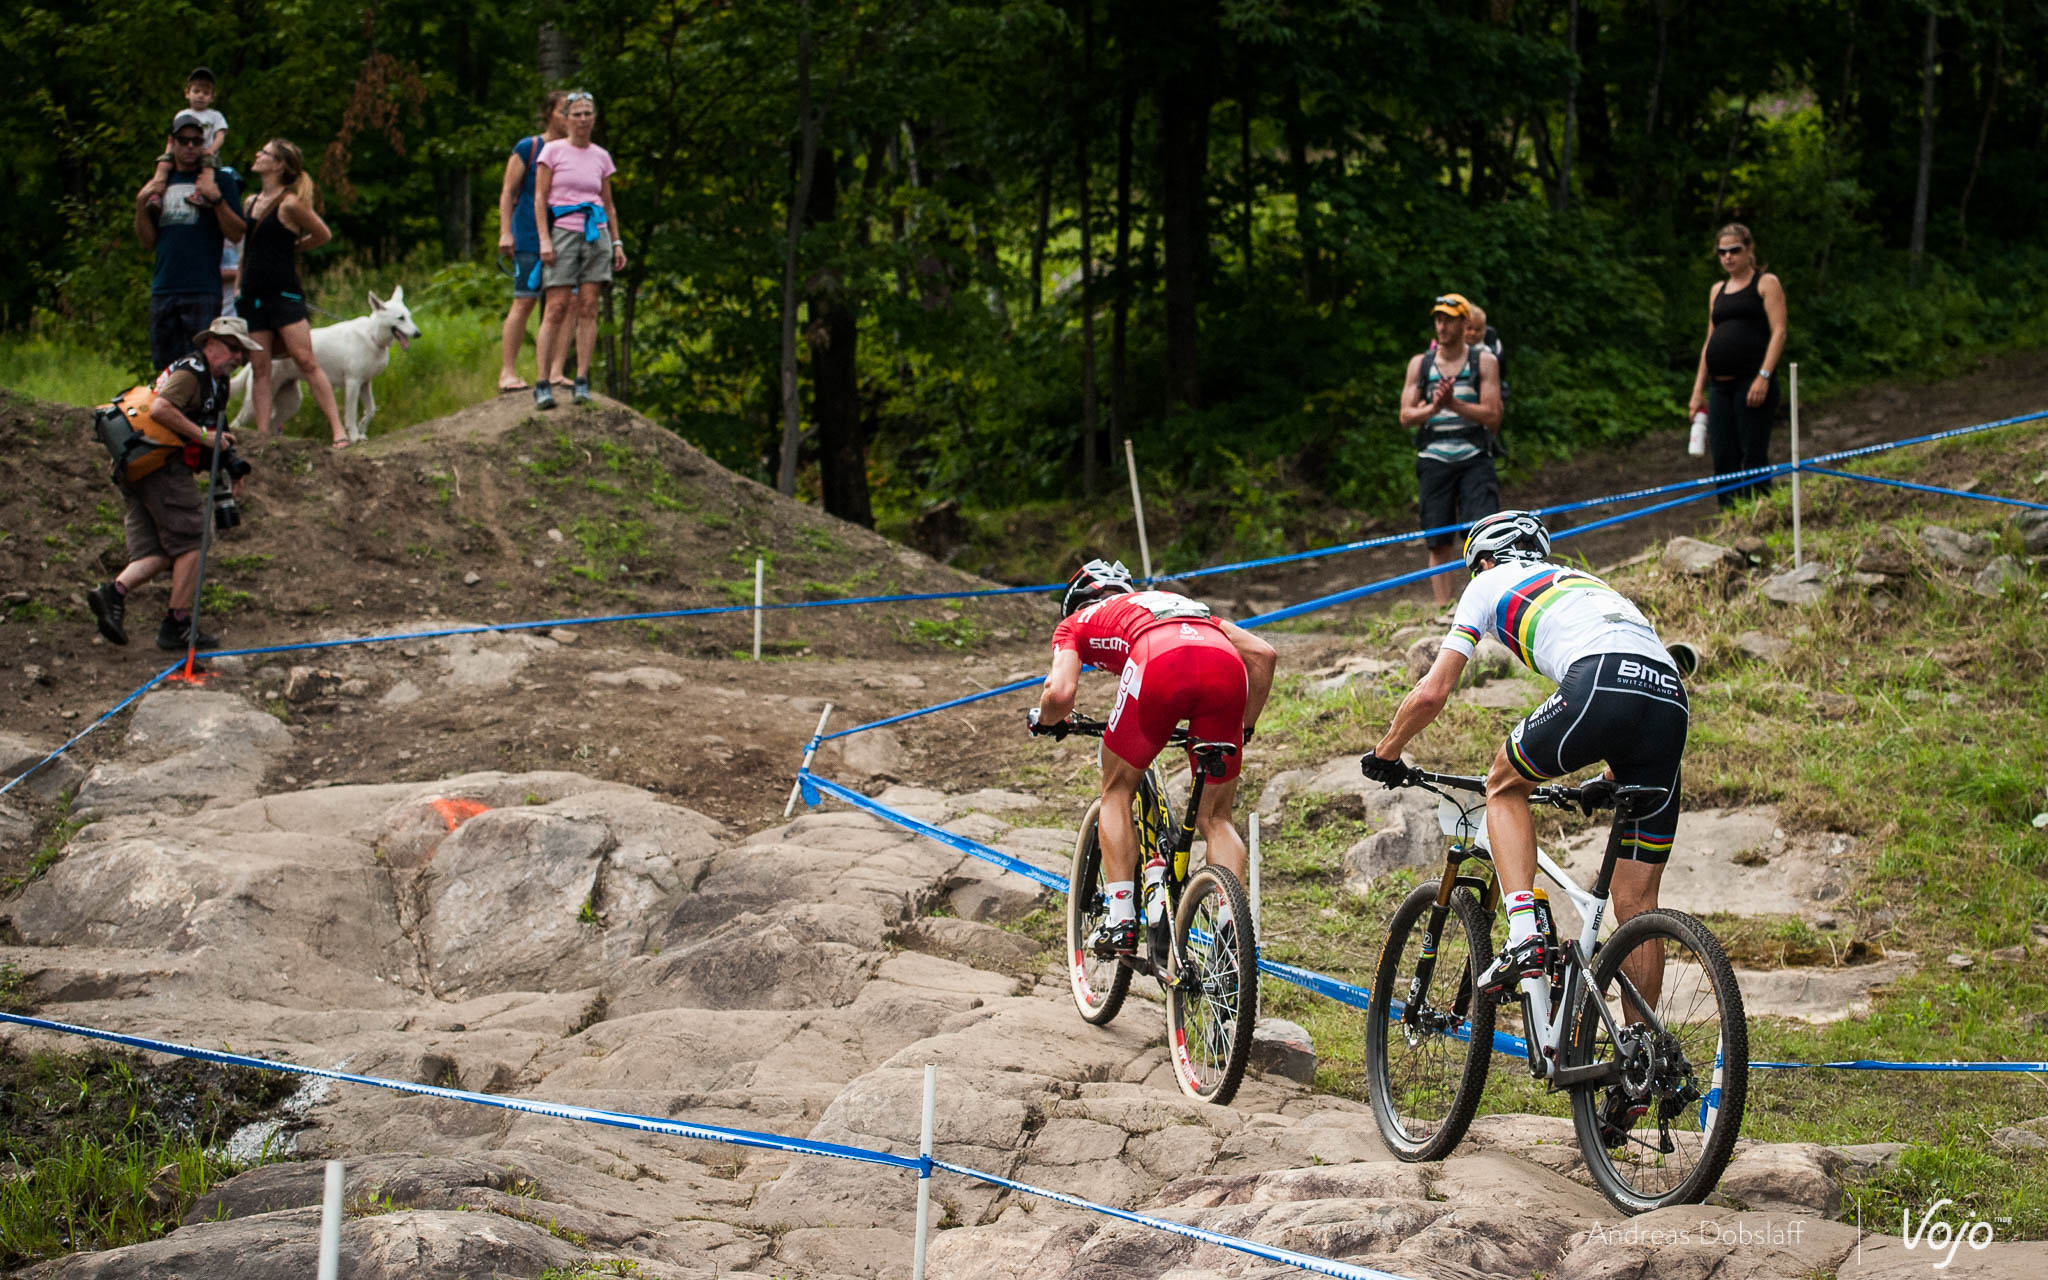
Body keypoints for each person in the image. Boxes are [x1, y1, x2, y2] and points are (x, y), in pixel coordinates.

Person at [1360, 509, 1687, 1141]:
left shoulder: (1488, 583)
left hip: (1602, 682)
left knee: (1503, 786)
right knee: (1636, 900)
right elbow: (1637, 676)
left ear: (1481, 560)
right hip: (1667, 697)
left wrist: (1388, 751)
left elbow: (1432, 691)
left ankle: (1524, 934)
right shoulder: (1586, 583)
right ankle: (1637, 1065)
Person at [1028, 560, 1278, 957]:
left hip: (1159, 663)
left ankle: (1121, 919)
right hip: (1225, 669)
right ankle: (1232, 939)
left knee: (1116, 790)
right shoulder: (1177, 602)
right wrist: (1243, 729)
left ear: (1074, 602)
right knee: (1216, 819)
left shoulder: (1075, 622)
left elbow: (1059, 694)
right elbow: (1263, 655)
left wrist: (1044, 720)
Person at [86, 316, 260, 653]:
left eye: (242, 352)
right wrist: (204, 437)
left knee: (161, 552)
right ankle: (177, 625)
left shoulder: (214, 381)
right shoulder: (191, 372)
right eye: (231, 348)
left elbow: (213, 428)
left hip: (141, 466)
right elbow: (162, 409)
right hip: (161, 466)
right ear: (209, 343)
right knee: (194, 539)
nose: (237, 357)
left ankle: (113, 594)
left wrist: (230, 466)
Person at [237, 139, 350, 449]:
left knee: (305, 359)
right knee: (260, 367)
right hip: (253, 294)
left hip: (285, 293)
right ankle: (263, 436)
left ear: (279, 165)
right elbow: (248, 248)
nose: (257, 155)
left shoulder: (289, 203)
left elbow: (323, 233)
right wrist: (239, 286)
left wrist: (296, 246)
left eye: (265, 153)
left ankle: (338, 431)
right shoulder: (249, 202)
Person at [1399, 293, 1503, 607]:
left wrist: (1453, 404)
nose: (1441, 326)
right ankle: (1443, 609)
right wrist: (1434, 407)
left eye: (1448, 319)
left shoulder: (1484, 361)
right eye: (1438, 319)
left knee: (1483, 534)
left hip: (1474, 455)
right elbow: (1405, 416)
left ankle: (1485, 605)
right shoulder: (1421, 364)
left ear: (1464, 322)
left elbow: (1494, 415)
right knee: (1438, 539)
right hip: (1433, 459)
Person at [532, 91, 626, 410]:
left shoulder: (601, 156)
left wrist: (616, 242)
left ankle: (582, 380)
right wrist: (544, 239)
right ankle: (543, 382)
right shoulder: (552, 151)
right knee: (556, 306)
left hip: (595, 233)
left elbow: (609, 204)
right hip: (563, 232)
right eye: (577, 114)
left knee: (588, 305)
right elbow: (539, 198)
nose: (583, 119)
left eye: (588, 113)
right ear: (566, 118)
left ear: (594, 118)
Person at [135, 113, 244, 371]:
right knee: (164, 366)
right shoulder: (162, 181)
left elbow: (237, 232)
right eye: (183, 141)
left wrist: (216, 199)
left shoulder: (219, 180)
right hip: (164, 287)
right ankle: (163, 410)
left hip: (202, 288)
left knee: (204, 364)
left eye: (197, 141)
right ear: (172, 143)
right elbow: (147, 241)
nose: (190, 147)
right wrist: (141, 203)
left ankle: (206, 411)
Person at [1688, 223, 1787, 507]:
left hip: (1753, 381)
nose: (1728, 257)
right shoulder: (1717, 290)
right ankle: (1729, 517)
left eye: (1734, 250)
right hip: (1720, 385)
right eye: (1722, 252)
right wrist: (1698, 390)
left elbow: (1779, 332)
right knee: (1723, 455)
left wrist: (1764, 375)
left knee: (1753, 454)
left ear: (1749, 249)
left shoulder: (1766, 283)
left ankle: (1760, 517)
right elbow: (1710, 340)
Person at [495, 92, 571, 392]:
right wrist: (505, 231)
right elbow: (507, 191)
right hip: (528, 235)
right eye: (565, 110)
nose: (570, 116)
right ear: (550, 112)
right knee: (524, 300)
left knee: (565, 303)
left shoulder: (574, 151)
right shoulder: (529, 147)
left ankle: (554, 371)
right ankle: (507, 372)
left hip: (566, 235)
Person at [146, 68, 228, 190]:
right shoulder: (181, 115)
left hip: (205, 152)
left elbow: (220, 135)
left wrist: (211, 149)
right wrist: (168, 153)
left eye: (206, 93)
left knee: (207, 168)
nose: (200, 96)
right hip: (182, 151)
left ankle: (203, 191)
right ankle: (156, 191)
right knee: (163, 164)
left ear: (212, 97)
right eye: (196, 91)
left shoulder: (215, 115)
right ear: (187, 93)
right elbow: (172, 138)